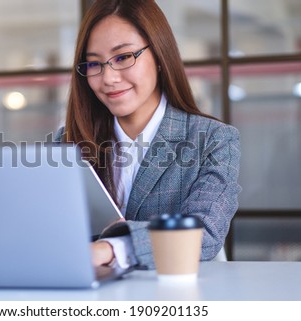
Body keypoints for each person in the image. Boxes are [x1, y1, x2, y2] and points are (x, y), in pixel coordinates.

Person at [54, 0, 241, 270]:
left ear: (160, 56)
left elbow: (204, 236)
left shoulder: (213, 140)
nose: (108, 78)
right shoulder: (66, 144)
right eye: (94, 64)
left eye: (123, 57)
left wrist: (112, 248)